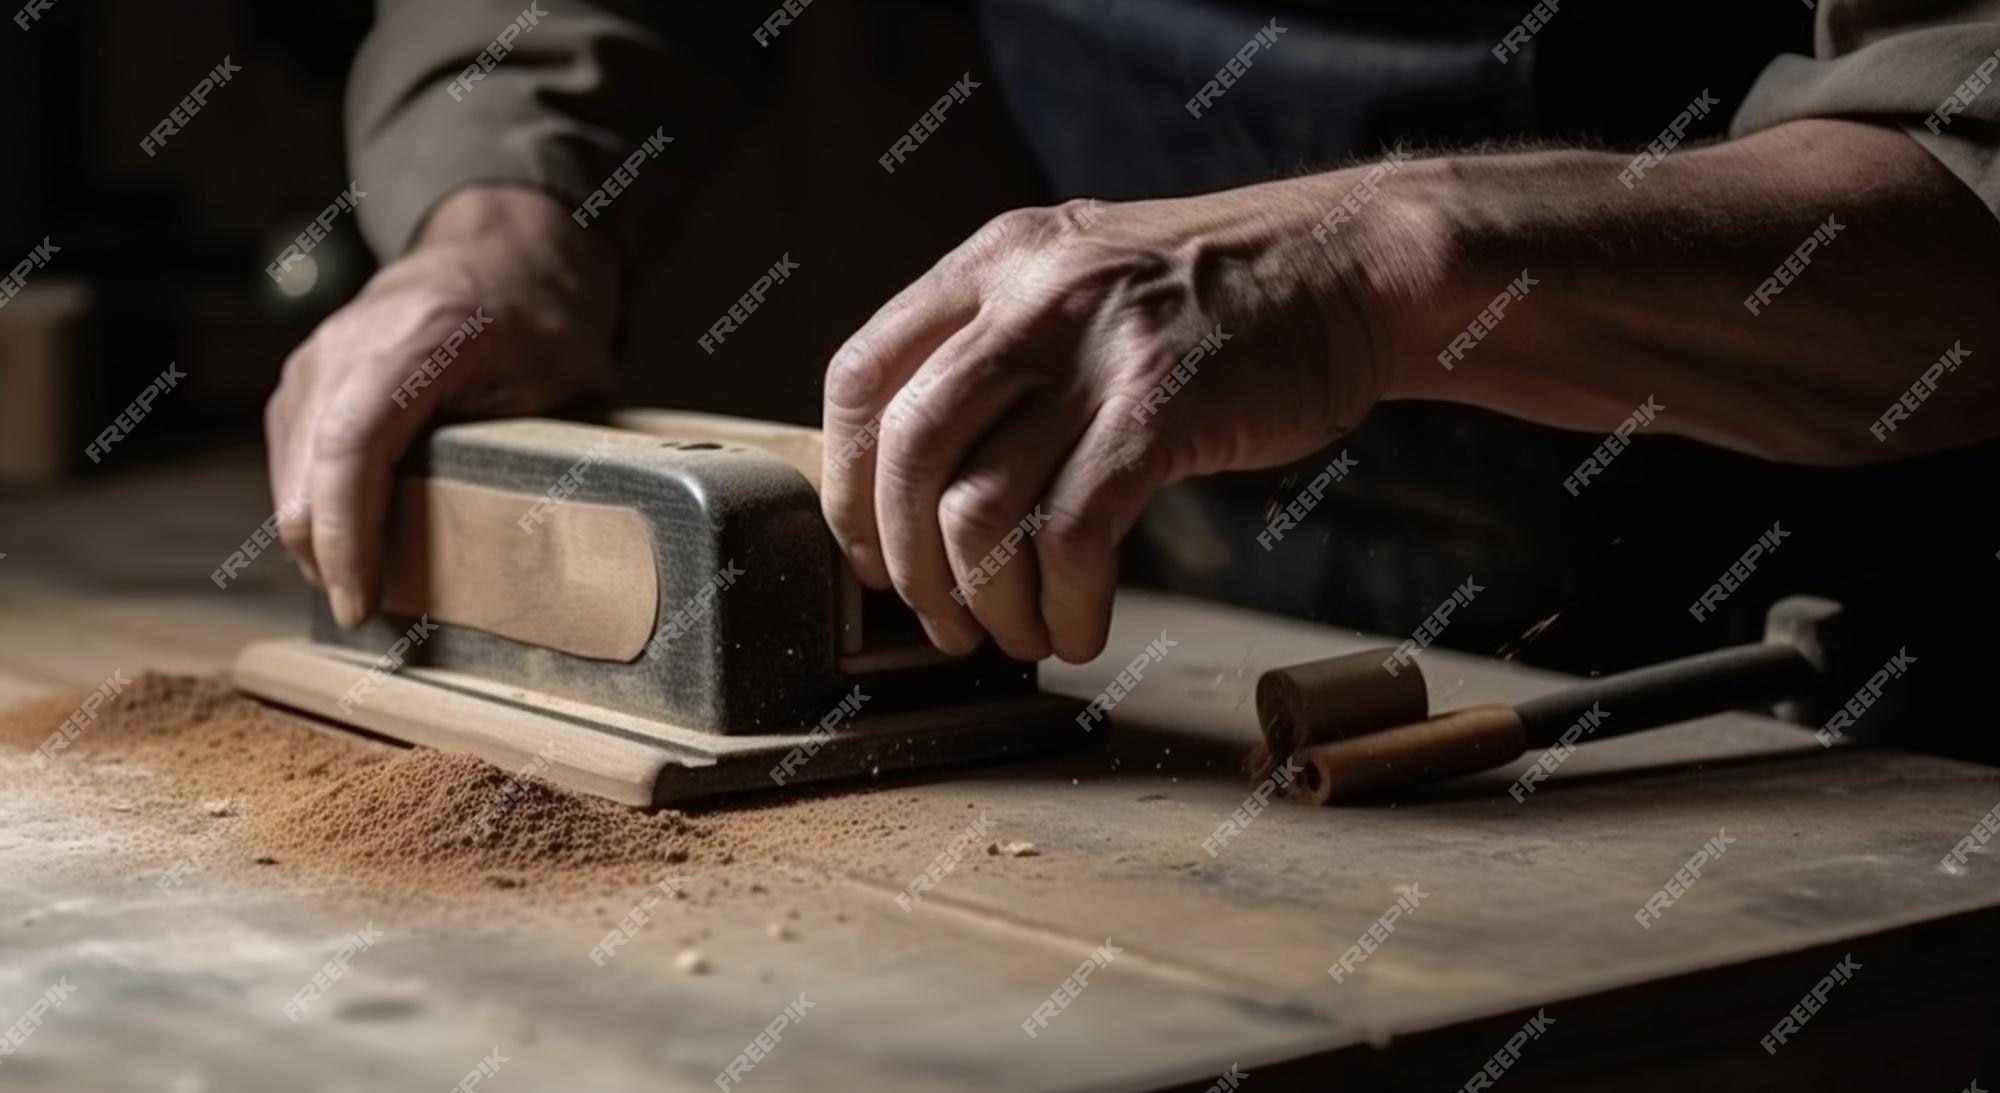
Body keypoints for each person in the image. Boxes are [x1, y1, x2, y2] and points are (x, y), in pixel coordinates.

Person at [267, 0, 2000, 680]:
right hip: (1219, 631)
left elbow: (1965, 156)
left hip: (1858, 642)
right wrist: (495, 213)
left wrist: (1378, 254)